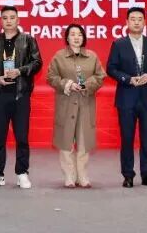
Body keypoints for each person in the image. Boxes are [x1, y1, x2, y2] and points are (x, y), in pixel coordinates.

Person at [106, 7, 147, 188]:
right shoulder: (119, 44)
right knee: (127, 139)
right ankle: (128, 175)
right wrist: (127, 79)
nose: (136, 22)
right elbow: (111, 68)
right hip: (126, 97)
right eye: (133, 19)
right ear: (127, 22)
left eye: (140, 19)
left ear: (145, 22)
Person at [0, 6, 43, 189]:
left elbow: (37, 62)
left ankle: (22, 173)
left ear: (18, 20)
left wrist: (20, 71)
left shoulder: (28, 40)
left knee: (22, 136)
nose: (8, 21)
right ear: (0, 21)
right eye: (5, 18)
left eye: (12, 17)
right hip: (0, 94)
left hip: (21, 94)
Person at [47, 24, 106, 188]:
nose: (76, 37)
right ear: (67, 38)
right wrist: (67, 83)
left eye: (79, 34)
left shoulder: (92, 56)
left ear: (83, 37)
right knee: (65, 141)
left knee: (83, 141)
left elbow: (100, 76)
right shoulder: (59, 56)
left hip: (85, 103)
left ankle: (82, 175)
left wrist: (87, 84)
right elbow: (51, 77)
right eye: (72, 34)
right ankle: (69, 176)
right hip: (66, 103)